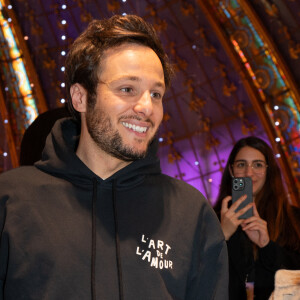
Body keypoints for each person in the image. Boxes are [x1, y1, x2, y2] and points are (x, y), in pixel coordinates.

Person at [0, 15, 228, 299]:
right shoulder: (11, 200)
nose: (147, 107)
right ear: (80, 97)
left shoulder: (192, 212)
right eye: (127, 89)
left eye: (156, 94)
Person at [214, 136, 300, 300]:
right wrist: (222, 236)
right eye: (241, 165)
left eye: (258, 165)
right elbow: (198, 276)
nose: (249, 173)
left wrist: (267, 246)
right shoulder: (211, 220)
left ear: (269, 170)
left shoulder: (293, 218)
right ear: (232, 171)